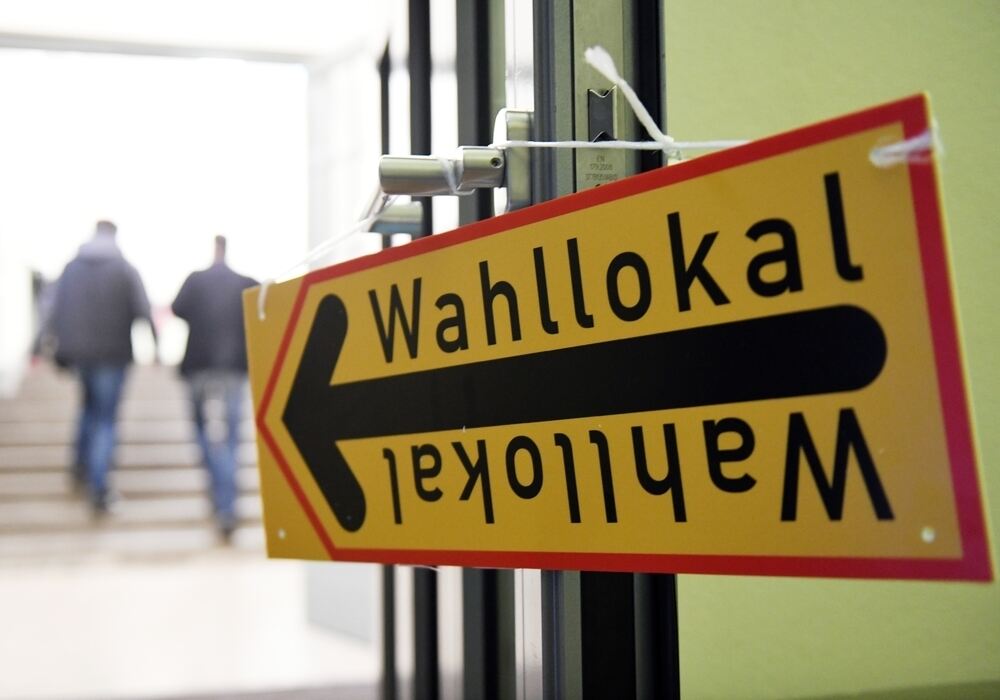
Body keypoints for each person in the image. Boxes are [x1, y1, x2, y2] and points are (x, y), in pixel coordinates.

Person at [46, 220, 158, 514]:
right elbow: (143, 308)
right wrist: (156, 347)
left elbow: (52, 307)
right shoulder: (124, 268)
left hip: (80, 354)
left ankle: (79, 466)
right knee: (105, 419)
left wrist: (43, 345)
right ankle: (99, 487)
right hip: (112, 354)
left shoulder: (72, 268)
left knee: (88, 408)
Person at [172, 235, 257, 541]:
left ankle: (221, 494)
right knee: (231, 439)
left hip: (198, 365)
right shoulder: (243, 283)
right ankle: (226, 500)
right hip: (233, 366)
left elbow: (177, 308)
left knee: (205, 434)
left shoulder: (196, 281)